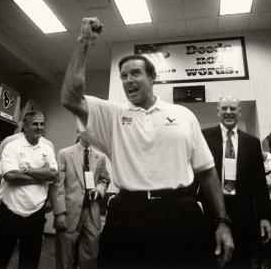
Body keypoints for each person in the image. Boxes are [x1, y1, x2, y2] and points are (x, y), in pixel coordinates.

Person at [61, 17, 234, 267]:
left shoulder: (184, 115)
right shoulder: (113, 114)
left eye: (135, 73)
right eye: (123, 76)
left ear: (153, 78)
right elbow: (69, 97)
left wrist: (222, 223)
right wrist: (83, 42)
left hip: (180, 213)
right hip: (129, 215)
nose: (128, 79)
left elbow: (207, 173)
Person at [201, 97, 271, 268]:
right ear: (218, 111)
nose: (228, 112)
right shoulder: (204, 136)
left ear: (239, 111)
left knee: (242, 259)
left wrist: (265, 217)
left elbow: (260, 183)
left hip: (243, 210)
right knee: (213, 257)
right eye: (224, 108)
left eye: (233, 108)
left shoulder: (252, 142)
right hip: (211, 208)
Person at [0, 111, 57, 269]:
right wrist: (41, 175)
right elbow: (9, 175)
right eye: (35, 124)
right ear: (24, 126)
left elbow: (53, 174)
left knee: (30, 260)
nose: (39, 127)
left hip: (36, 211)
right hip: (9, 209)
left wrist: (27, 170)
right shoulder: (11, 144)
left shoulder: (48, 146)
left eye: (42, 124)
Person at [52, 133, 110, 269]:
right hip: (69, 212)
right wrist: (59, 213)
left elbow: (104, 179)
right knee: (65, 258)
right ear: (80, 132)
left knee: (90, 256)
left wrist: (99, 189)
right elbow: (57, 185)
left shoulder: (100, 157)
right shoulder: (64, 154)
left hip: (92, 212)